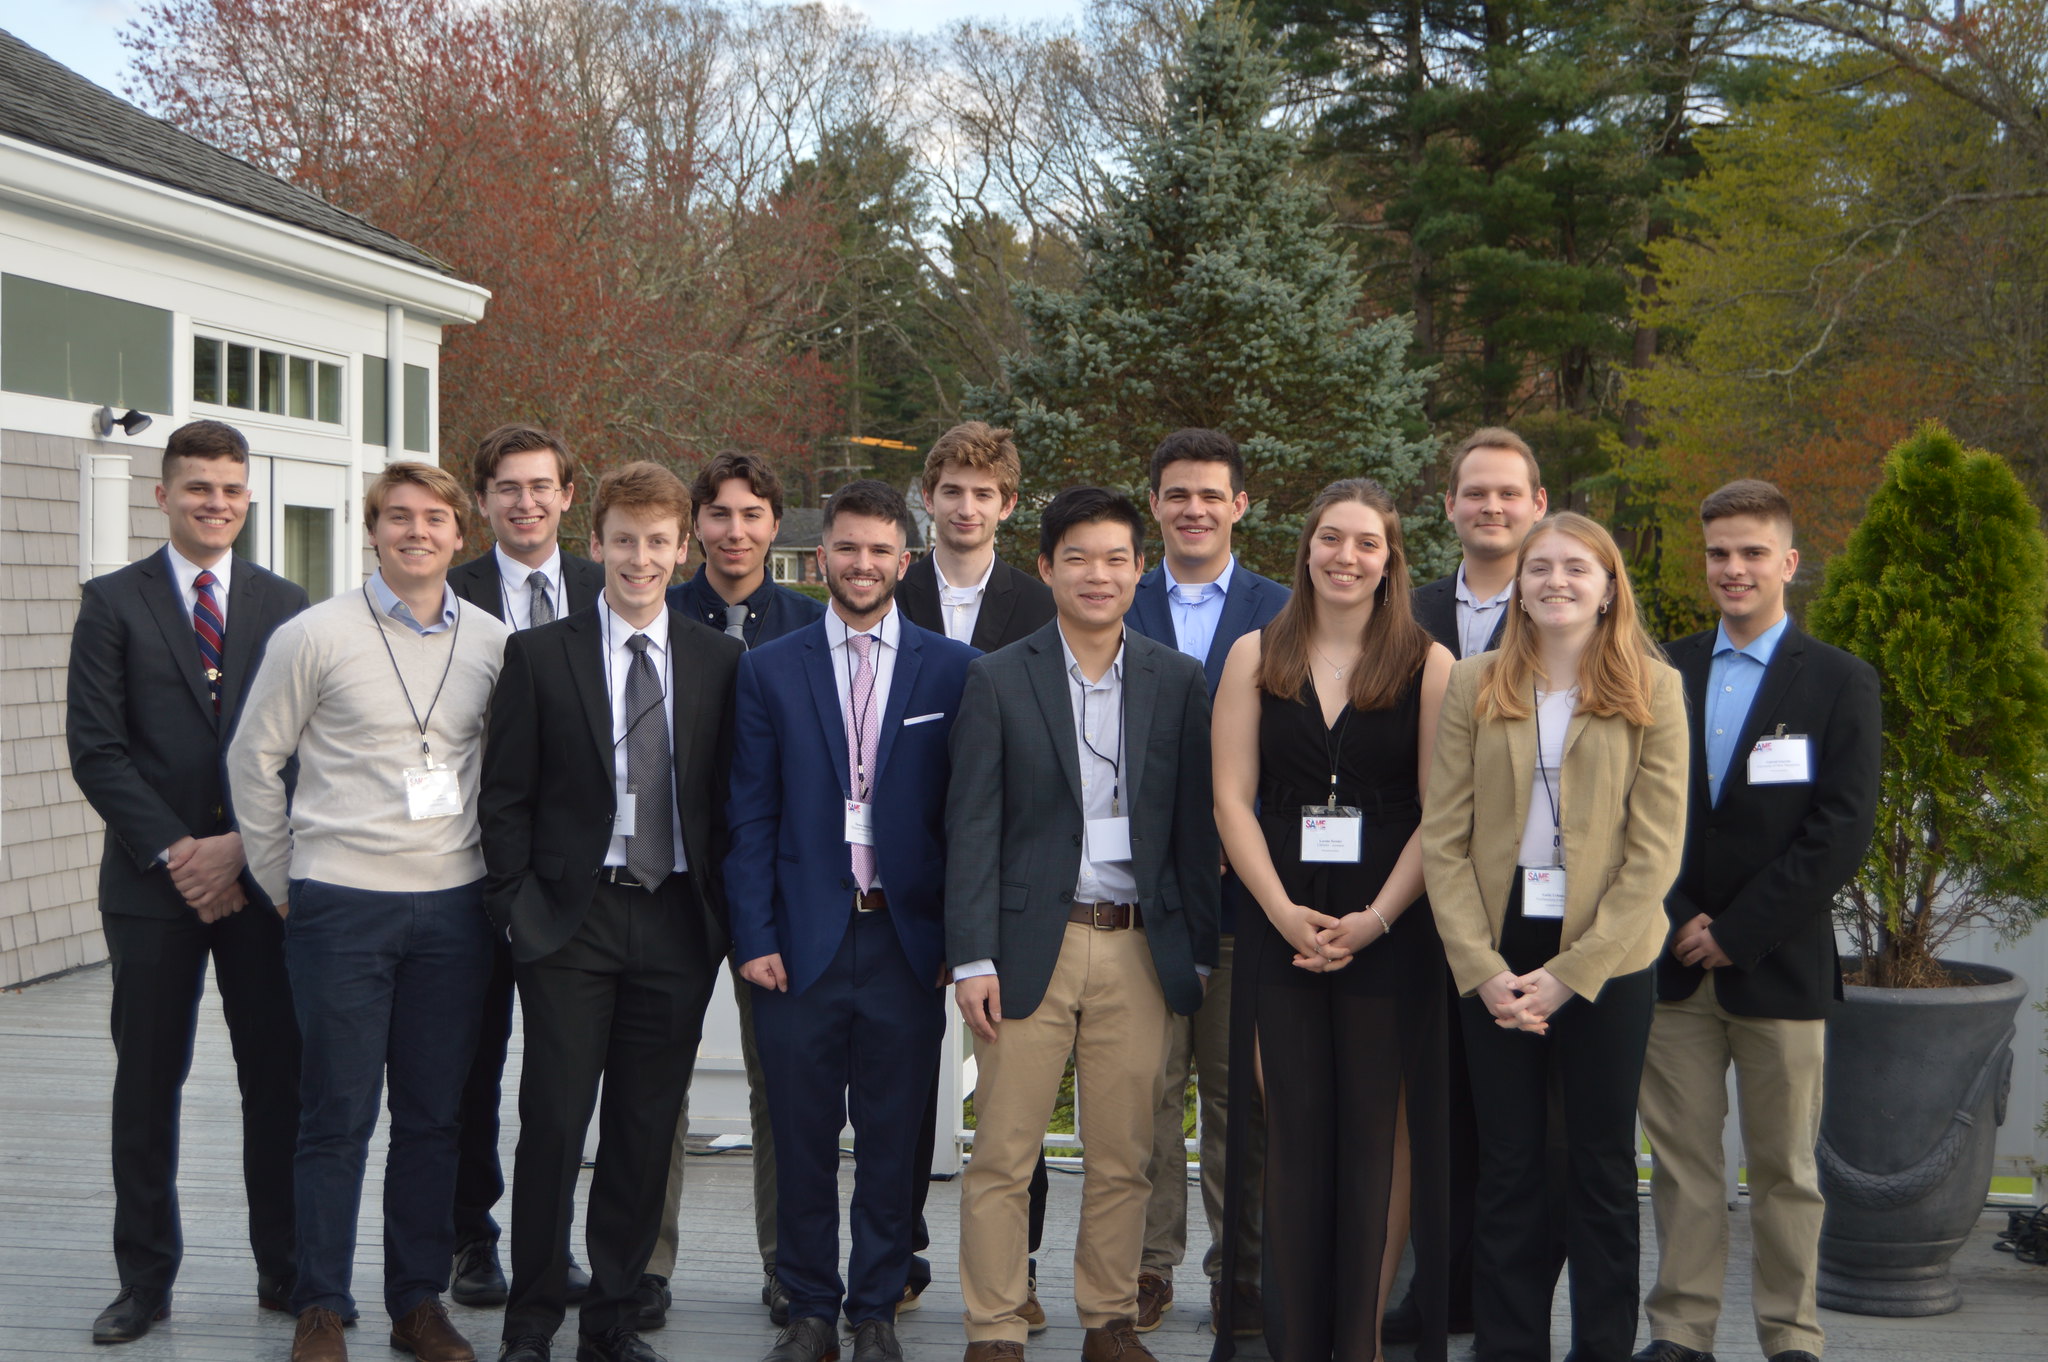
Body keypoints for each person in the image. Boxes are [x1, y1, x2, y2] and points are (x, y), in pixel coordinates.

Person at [228, 461, 512, 1362]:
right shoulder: (313, 635)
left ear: (460, 534)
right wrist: (283, 880)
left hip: (455, 910)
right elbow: (252, 759)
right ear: (373, 529)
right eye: (399, 517)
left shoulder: (495, 643)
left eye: (434, 518)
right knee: (336, 1114)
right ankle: (320, 1302)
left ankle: (417, 1301)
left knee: (433, 1117)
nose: (416, 532)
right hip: (341, 906)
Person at [948, 487, 1220, 1362]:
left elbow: (1195, 830)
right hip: (1030, 944)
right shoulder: (997, 677)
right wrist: (971, 958)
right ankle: (995, 1327)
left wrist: (1195, 955)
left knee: (1124, 1155)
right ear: (1046, 568)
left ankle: (1108, 1321)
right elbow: (972, 827)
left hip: (1139, 946)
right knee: (1003, 1153)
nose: (1097, 575)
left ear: (1140, 570)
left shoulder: (1177, 681)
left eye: (1114, 559)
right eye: (1077, 558)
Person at [479, 462, 741, 1362]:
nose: (640, 558)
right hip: (569, 920)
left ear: (683, 548)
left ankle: (614, 1322)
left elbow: (730, 802)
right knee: (554, 1124)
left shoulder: (719, 661)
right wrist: (517, 908)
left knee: (643, 1129)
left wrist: (718, 922)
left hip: (674, 922)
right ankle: (530, 1322)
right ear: (595, 543)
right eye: (623, 540)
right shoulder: (540, 655)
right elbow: (504, 797)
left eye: (658, 542)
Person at [1420, 512, 1688, 1362]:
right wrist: (1480, 969)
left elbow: (1654, 856)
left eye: (1577, 568)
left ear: (1609, 588)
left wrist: (1574, 974)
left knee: (1600, 1166)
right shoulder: (1475, 682)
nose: (1556, 581)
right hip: (1498, 946)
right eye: (1540, 567)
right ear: (1520, 586)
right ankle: (1508, 1348)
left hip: (1610, 953)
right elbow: (1444, 839)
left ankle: (1602, 1346)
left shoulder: (1655, 689)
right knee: (1508, 1165)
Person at [67, 419, 308, 1344]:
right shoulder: (111, 604)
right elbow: (97, 750)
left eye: (231, 488)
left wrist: (240, 847)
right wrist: (181, 852)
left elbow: (304, 748)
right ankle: (144, 1281)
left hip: (259, 880)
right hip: (151, 887)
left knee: (276, 1080)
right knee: (147, 1086)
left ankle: (283, 1268)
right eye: (199, 486)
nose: (216, 502)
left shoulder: (286, 605)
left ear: (249, 499)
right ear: (163, 494)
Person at [728, 479, 978, 1362]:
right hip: (800, 944)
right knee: (799, 1134)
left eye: (879, 550)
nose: (861, 564)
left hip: (907, 944)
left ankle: (875, 1307)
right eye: (846, 548)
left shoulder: (953, 670)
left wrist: (957, 942)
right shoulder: (769, 668)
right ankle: (808, 1307)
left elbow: (966, 819)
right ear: (820, 556)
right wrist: (753, 936)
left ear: (905, 561)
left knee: (892, 1136)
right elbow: (748, 815)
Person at [1207, 479, 1453, 1362]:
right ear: (1306, 547)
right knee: (1294, 1127)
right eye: (1331, 539)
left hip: (1391, 923)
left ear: (1390, 560)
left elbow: (1441, 810)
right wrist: (1280, 913)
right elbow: (1231, 798)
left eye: (1366, 543)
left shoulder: (1429, 664)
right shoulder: (1254, 654)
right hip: (1281, 917)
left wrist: (1375, 921)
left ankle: (1361, 1338)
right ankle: (1296, 1339)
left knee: (1378, 1134)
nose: (1346, 557)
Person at [1635, 482, 1880, 1362]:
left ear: (1789, 562)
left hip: (1778, 965)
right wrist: (1676, 918)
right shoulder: (1660, 670)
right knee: (1683, 1167)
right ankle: (1681, 1332)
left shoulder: (1840, 681)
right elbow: (1631, 810)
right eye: (1718, 553)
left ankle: (1790, 1336)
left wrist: (1736, 931)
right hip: (1671, 964)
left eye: (1751, 552)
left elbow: (1840, 830)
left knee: (1786, 1171)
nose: (1733, 568)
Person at [651, 449, 825, 1329]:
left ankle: (789, 1266)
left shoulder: (811, 624)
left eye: (752, 514)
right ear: (695, 527)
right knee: (655, 1084)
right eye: (717, 513)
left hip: (778, 888)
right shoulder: (655, 611)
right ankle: (643, 1266)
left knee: (783, 1086)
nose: (735, 530)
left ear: (775, 524)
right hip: (671, 882)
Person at [1124, 429, 1288, 1337]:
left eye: (1210, 494)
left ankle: (1241, 1273)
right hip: (1141, 903)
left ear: (1240, 506)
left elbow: (1299, 744)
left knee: (1240, 1099)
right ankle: (1147, 1268)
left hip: (1241, 901)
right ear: (1154, 503)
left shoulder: (1283, 609)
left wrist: (1240, 834)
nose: (1194, 509)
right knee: (1145, 1095)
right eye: (1177, 493)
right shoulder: (1116, 596)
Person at [895, 421, 1056, 1322]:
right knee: (904, 1075)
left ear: (1007, 505)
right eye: (951, 490)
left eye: (983, 494)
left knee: (1012, 1082)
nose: (965, 507)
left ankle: (1016, 1268)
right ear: (929, 498)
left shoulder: (1038, 603)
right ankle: (899, 1253)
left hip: (1007, 858)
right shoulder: (894, 587)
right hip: (904, 854)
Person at [446, 423, 605, 1310]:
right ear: (482, 501)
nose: (526, 502)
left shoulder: (606, 587)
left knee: (560, 1079)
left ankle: (553, 1243)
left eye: (542, 486)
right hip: (466, 867)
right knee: (471, 1063)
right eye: (507, 487)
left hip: (577, 877)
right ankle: (471, 1238)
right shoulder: (450, 591)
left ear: (568, 496)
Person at [1397, 426, 1550, 1342]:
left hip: (1536, 919)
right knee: (1438, 1113)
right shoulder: (1405, 612)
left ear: (1537, 504)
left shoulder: (1570, 604)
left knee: (1525, 1128)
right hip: (1426, 904)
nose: (1492, 507)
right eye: (1475, 492)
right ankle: (1438, 1295)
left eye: (1508, 493)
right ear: (1449, 504)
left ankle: (1507, 1304)